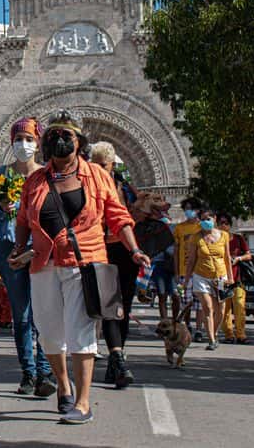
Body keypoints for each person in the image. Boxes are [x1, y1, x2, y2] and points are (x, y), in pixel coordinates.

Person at [9, 111, 149, 424]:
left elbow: (118, 216)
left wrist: (135, 250)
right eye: (53, 136)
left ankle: (83, 402)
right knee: (48, 333)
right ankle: (63, 386)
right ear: (46, 144)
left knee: (81, 330)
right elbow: (22, 221)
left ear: (78, 142)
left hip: (86, 261)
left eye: (66, 136)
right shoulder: (34, 181)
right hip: (43, 264)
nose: (60, 141)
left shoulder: (98, 176)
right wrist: (19, 249)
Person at [0, 117, 56, 397]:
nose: (23, 145)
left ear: (37, 143)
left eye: (28, 139)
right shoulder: (2, 174)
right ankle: (28, 372)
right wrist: (2, 207)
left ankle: (44, 371)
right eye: (18, 139)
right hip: (10, 249)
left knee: (43, 312)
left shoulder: (46, 174)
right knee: (22, 314)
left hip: (39, 249)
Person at [89, 141, 139, 388]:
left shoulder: (125, 187)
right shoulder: (88, 184)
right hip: (101, 249)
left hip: (125, 250)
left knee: (124, 308)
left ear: (111, 164)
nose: (99, 168)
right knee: (111, 307)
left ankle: (114, 361)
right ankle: (118, 359)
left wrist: (136, 249)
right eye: (95, 164)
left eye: (103, 164)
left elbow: (132, 214)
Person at [182, 209, 233, 351]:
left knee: (221, 309)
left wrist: (230, 278)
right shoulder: (195, 238)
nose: (206, 222)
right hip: (201, 276)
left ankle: (214, 332)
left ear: (214, 219)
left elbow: (227, 258)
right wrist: (186, 280)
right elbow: (191, 260)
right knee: (208, 308)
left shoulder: (224, 235)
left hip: (221, 276)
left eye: (208, 219)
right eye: (203, 219)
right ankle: (211, 340)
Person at [218, 214, 251, 344]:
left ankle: (241, 334)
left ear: (230, 225)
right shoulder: (215, 239)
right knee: (224, 308)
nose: (223, 225)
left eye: (225, 223)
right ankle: (228, 334)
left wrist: (238, 258)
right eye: (220, 223)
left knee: (239, 306)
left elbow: (249, 255)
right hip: (222, 278)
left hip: (237, 278)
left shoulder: (238, 239)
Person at [174, 197, 204, 340]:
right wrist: (175, 272)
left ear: (197, 210)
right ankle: (187, 326)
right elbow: (176, 251)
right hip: (183, 271)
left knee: (199, 303)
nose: (188, 211)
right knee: (185, 302)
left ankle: (199, 329)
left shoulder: (202, 227)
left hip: (200, 271)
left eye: (191, 208)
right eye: (186, 209)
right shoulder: (180, 228)